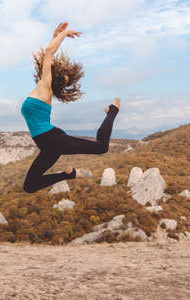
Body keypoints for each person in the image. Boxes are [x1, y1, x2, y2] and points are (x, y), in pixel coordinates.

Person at [21, 22, 120, 193]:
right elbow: (48, 57)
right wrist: (55, 36)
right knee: (29, 186)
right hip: (47, 145)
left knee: (102, 147)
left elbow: (49, 53)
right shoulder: (41, 85)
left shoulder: (46, 87)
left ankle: (112, 110)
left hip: (54, 140)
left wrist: (63, 34)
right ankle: (69, 174)